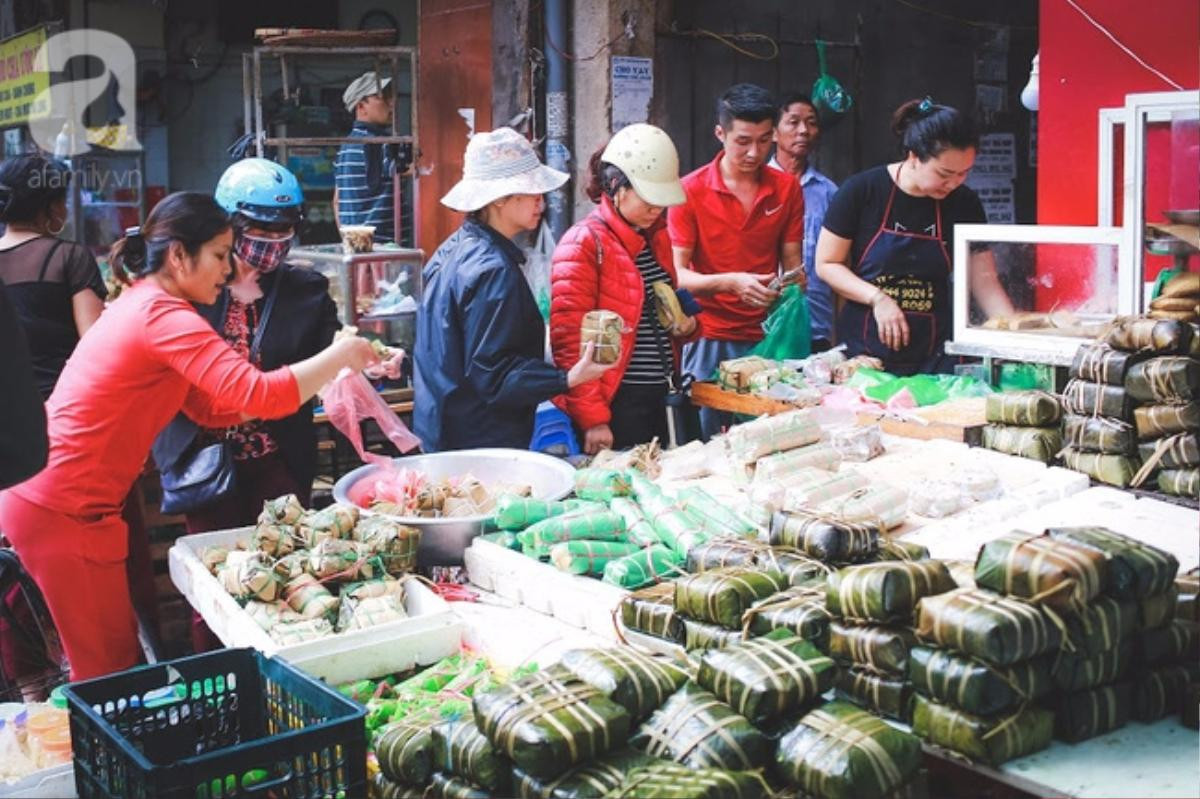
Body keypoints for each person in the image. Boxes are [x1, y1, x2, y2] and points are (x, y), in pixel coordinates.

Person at [0, 192, 378, 681]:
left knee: (112, 665)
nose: (227, 269)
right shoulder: (164, 316)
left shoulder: (149, 304)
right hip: (64, 505)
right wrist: (338, 355)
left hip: (63, 499)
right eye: (220, 255)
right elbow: (257, 394)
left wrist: (312, 379)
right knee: (108, 676)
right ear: (179, 255)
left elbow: (214, 406)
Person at [154, 159, 341, 537]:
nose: (273, 240)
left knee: (284, 566)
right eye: (260, 228)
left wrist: (363, 361)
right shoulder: (189, 290)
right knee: (214, 564)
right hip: (203, 459)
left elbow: (332, 355)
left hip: (279, 455)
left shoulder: (307, 290)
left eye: (284, 229)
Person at [414, 127, 613, 452]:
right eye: (532, 193)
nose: (542, 203)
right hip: (479, 444)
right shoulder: (492, 269)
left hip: (443, 432)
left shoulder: (451, 250)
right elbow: (494, 375)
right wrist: (568, 378)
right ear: (500, 199)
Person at [816, 98, 1013, 375]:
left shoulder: (965, 203)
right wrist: (878, 299)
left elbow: (985, 283)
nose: (954, 183)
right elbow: (827, 264)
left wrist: (1014, 334)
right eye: (944, 173)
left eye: (963, 173)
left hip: (934, 351)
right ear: (913, 157)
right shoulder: (862, 191)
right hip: (866, 351)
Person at [550, 124, 700, 453]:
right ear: (617, 186)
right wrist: (593, 419)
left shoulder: (656, 236)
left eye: (663, 201)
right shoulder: (583, 242)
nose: (657, 209)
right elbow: (569, 345)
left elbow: (663, 310)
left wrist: (688, 324)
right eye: (649, 199)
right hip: (617, 403)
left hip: (660, 394)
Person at [668, 83, 806, 439]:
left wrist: (784, 288)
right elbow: (676, 276)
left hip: (767, 336)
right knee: (707, 440)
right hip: (708, 334)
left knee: (769, 438)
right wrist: (729, 282)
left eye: (764, 140)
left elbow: (794, 267)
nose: (754, 152)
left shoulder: (787, 188)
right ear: (720, 133)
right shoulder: (689, 190)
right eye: (743, 140)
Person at [0, 155, 106, 398]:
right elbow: (96, 345)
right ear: (51, 206)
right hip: (58, 405)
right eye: (63, 200)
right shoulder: (68, 257)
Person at [769, 94, 839, 352]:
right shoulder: (758, 185)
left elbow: (842, 260)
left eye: (810, 123)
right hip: (764, 322)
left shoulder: (828, 192)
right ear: (774, 133)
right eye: (794, 122)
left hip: (816, 323)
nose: (803, 130)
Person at [334, 71, 399, 245]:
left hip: (358, 247)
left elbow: (336, 202)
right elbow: (412, 169)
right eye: (382, 97)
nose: (391, 103)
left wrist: (350, 243)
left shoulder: (345, 145)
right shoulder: (376, 142)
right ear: (361, 106)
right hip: (383, 250)